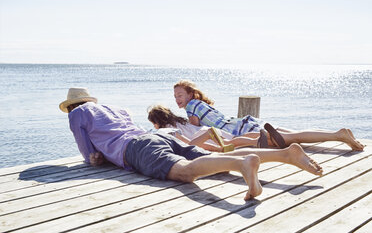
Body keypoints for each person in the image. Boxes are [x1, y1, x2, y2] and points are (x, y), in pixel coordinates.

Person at [60, 87, 323, 200]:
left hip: (137, 149)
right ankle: (285, 155)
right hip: (161, 137)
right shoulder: (115, 108)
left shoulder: (77, 113)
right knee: (208, 161)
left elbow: (87, 151)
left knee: (186, 172)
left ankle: (243, 163)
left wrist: (94, 159)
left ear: (72, 105)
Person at [173, 80, 365, 151]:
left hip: (241, 129)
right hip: (246, 122)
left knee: (294, 138)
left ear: (190, 94)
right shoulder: (203, 103)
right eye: (175, 97)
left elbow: (199, 128)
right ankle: (337, 134)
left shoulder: (192, 106)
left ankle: (338, 136)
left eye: (180, 95)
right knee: (296, 135)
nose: (177, 100)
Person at [147, 104, 269, 152]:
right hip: (208, 130)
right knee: (235, 138)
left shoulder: (168, 129)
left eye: (153, 123)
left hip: (204, 136)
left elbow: (186, 141)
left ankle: (256, 141)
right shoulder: (179, 121)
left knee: (231, 142)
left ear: (157, 121)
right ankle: (264, 136)